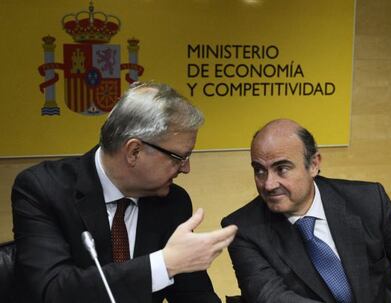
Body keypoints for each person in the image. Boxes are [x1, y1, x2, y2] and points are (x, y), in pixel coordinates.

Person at [12, 81, 237, 303]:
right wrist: (164, 264)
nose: (186, 168)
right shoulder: (42, 189)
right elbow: (54, 291)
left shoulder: (173, 202)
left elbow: (194, 295)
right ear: (134, 151)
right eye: (179, 158)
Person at [222, 119, 391, 303]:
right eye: (260, 171)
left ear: (314, 164)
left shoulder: (369, 201)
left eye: (282, 169)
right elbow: (270, 297)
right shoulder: (244, 229)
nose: (269, 184)